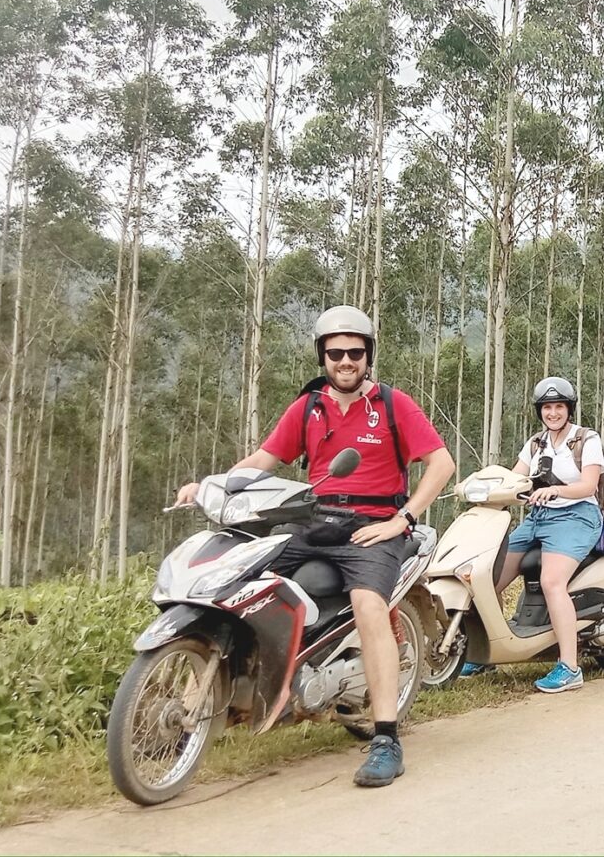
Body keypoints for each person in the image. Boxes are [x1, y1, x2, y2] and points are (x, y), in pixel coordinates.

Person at [173, 305, 455, 788]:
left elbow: (441, 463)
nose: (345, 361)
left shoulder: (392, 405)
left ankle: (387, 739)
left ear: (368, 355)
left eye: (355, 353)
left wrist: (402, 519)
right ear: (322, 356)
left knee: (369, 605)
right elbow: (264, 459)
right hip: (312, 522)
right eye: (335, 353)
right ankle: (208, 701)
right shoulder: (308, 407)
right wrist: (212, 485)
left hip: (373, 528)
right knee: (238, 579)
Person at [491, 376, 604, 694]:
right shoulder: (536, 443)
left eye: (559, 407)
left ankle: (569, 667)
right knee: (488, 577)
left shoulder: (586, 439)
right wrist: (487, 486)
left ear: (569, 409)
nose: (553, 413)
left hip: (577, 516)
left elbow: (589, 486)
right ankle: (488, 650)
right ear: (539, 411)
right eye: (547, 408)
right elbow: (514, 478)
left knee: (552, 582)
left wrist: (556, 490)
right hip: (538, 518)